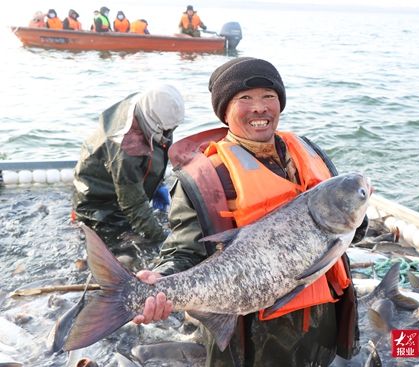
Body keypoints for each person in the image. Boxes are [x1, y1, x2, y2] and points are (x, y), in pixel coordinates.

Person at [133, 58, 367, 366]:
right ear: (224, 111)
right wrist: (161, 279)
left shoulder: (307, 151)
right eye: (245, 98)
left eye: (269, 96)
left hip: (322, 320)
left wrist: (360, 213)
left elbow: (352, 228)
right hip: (252, 333)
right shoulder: (202, 178)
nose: (259, 108)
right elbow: (185, 251)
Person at [72, 85, 185, 246]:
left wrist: (157, 183)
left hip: (120, 181)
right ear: (151, 123)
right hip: (100, 208)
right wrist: (162, 238)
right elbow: (134, 205)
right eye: (165, 130)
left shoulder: (147, 107)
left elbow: (160, 144)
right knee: (127, 253)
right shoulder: (125, 151)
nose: (169, 134)